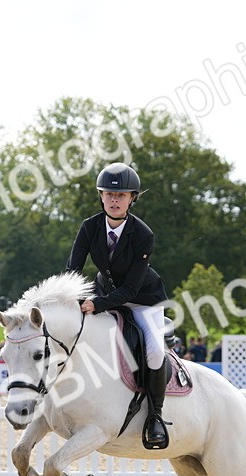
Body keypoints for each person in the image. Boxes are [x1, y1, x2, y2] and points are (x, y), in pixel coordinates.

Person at [65, 162, 171, 449]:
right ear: (100, 196)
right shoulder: (89, 227)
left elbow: (131, 288)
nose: (114, 200)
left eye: (121, 195)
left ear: (132, 198)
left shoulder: (143, 235)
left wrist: (97, 304)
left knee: (153, 351)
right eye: (109, 195)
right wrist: (72, 298)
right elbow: (72, 270)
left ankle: (156, 417)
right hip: (103, 294)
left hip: (143, 300)